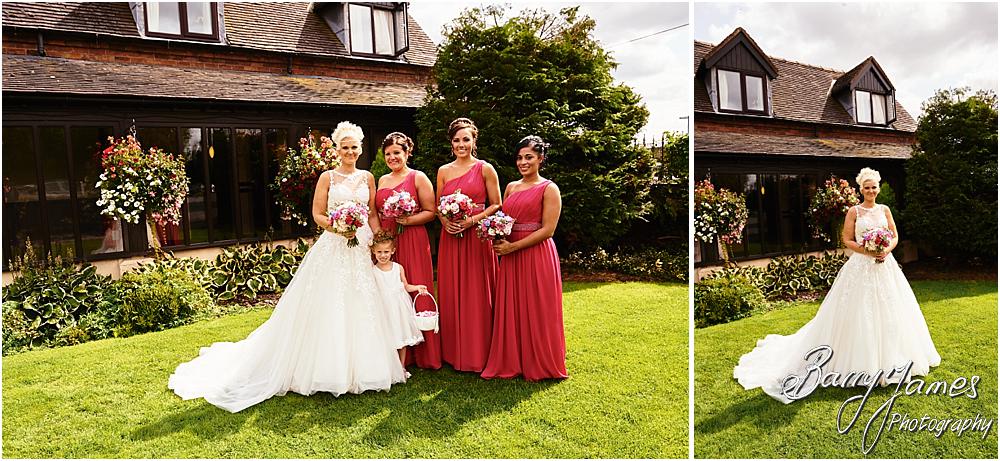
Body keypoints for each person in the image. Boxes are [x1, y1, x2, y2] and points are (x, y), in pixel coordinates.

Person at [168, 121, 406, 412]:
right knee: (330, 304)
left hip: (359, 248)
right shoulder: (327, 177)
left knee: (362, 304)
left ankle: (367, 369)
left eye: (354, 146)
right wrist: (337, 225)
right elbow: (317, 213)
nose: (350, 151)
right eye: (344, 147)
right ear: (337, 149)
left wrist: (378, 239)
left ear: (360, 148)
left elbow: (370, 214)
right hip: (334, 244)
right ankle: (327, 370)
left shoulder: (368, 177)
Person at [733, 167, 941, 403]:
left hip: (885, 265)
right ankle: (860, 365)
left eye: (874, 187)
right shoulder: (854, 211)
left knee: (892, 310)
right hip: (861, 265)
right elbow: (847, 239)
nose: (871, 191)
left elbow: (894, 235)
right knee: (859, 312)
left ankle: (895, 361)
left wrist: (885, 249)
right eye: (866, 187)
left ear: (878, 188)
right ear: (860, 189)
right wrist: (868, 250)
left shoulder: (885, 209)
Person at [482, 136, 568, 381]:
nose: (523, 162)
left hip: (536, 253)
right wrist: (496, 236)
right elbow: (504, 220)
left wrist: (514, 247)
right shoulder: (511, 187)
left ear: (541, 159)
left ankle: (541, 361)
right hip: (510, 253)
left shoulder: (549, 188)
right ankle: (514, 359)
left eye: (529, 157)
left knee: (538, 306)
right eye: (520, 157)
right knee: (513, 306)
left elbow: (548, 230)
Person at [435, 117, 502, 372]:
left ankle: (479, 352)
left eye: (466, 139)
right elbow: (438, 205)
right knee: (451, 291)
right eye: (456, 140)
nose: (461, 144)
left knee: (477, 292)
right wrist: (444, 222)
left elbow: (496, 204)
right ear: (451, 143)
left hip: (476, 238)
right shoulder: (443, 171)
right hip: (450, 237)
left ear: (474, 140)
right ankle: (453, 353)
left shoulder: (485, 168)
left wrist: (471, 221)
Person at [374, 132, 441, 370]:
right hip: (388, 240)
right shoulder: (381, 180)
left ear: (407, 153)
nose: (392, 157)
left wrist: (407, 220)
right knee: (390, 291)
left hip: (413, 236)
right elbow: (377, 213)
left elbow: (431, 211)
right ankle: (395, 351)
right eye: (388, 154)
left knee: (414, 285)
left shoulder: (418, 177)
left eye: (397, 153)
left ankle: (424, 354)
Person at [370, 230, 427, 370]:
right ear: (373, 252)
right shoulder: (372, 270)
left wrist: (417, 288)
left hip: (399, 307)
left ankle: (401, 367)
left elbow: (405, 286)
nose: (383, 255)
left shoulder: (398, 268)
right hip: (383, 308)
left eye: (386, 252)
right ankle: (390, 367)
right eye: (379, 252)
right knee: (388, 336)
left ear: (393, 251)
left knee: (401, 335)